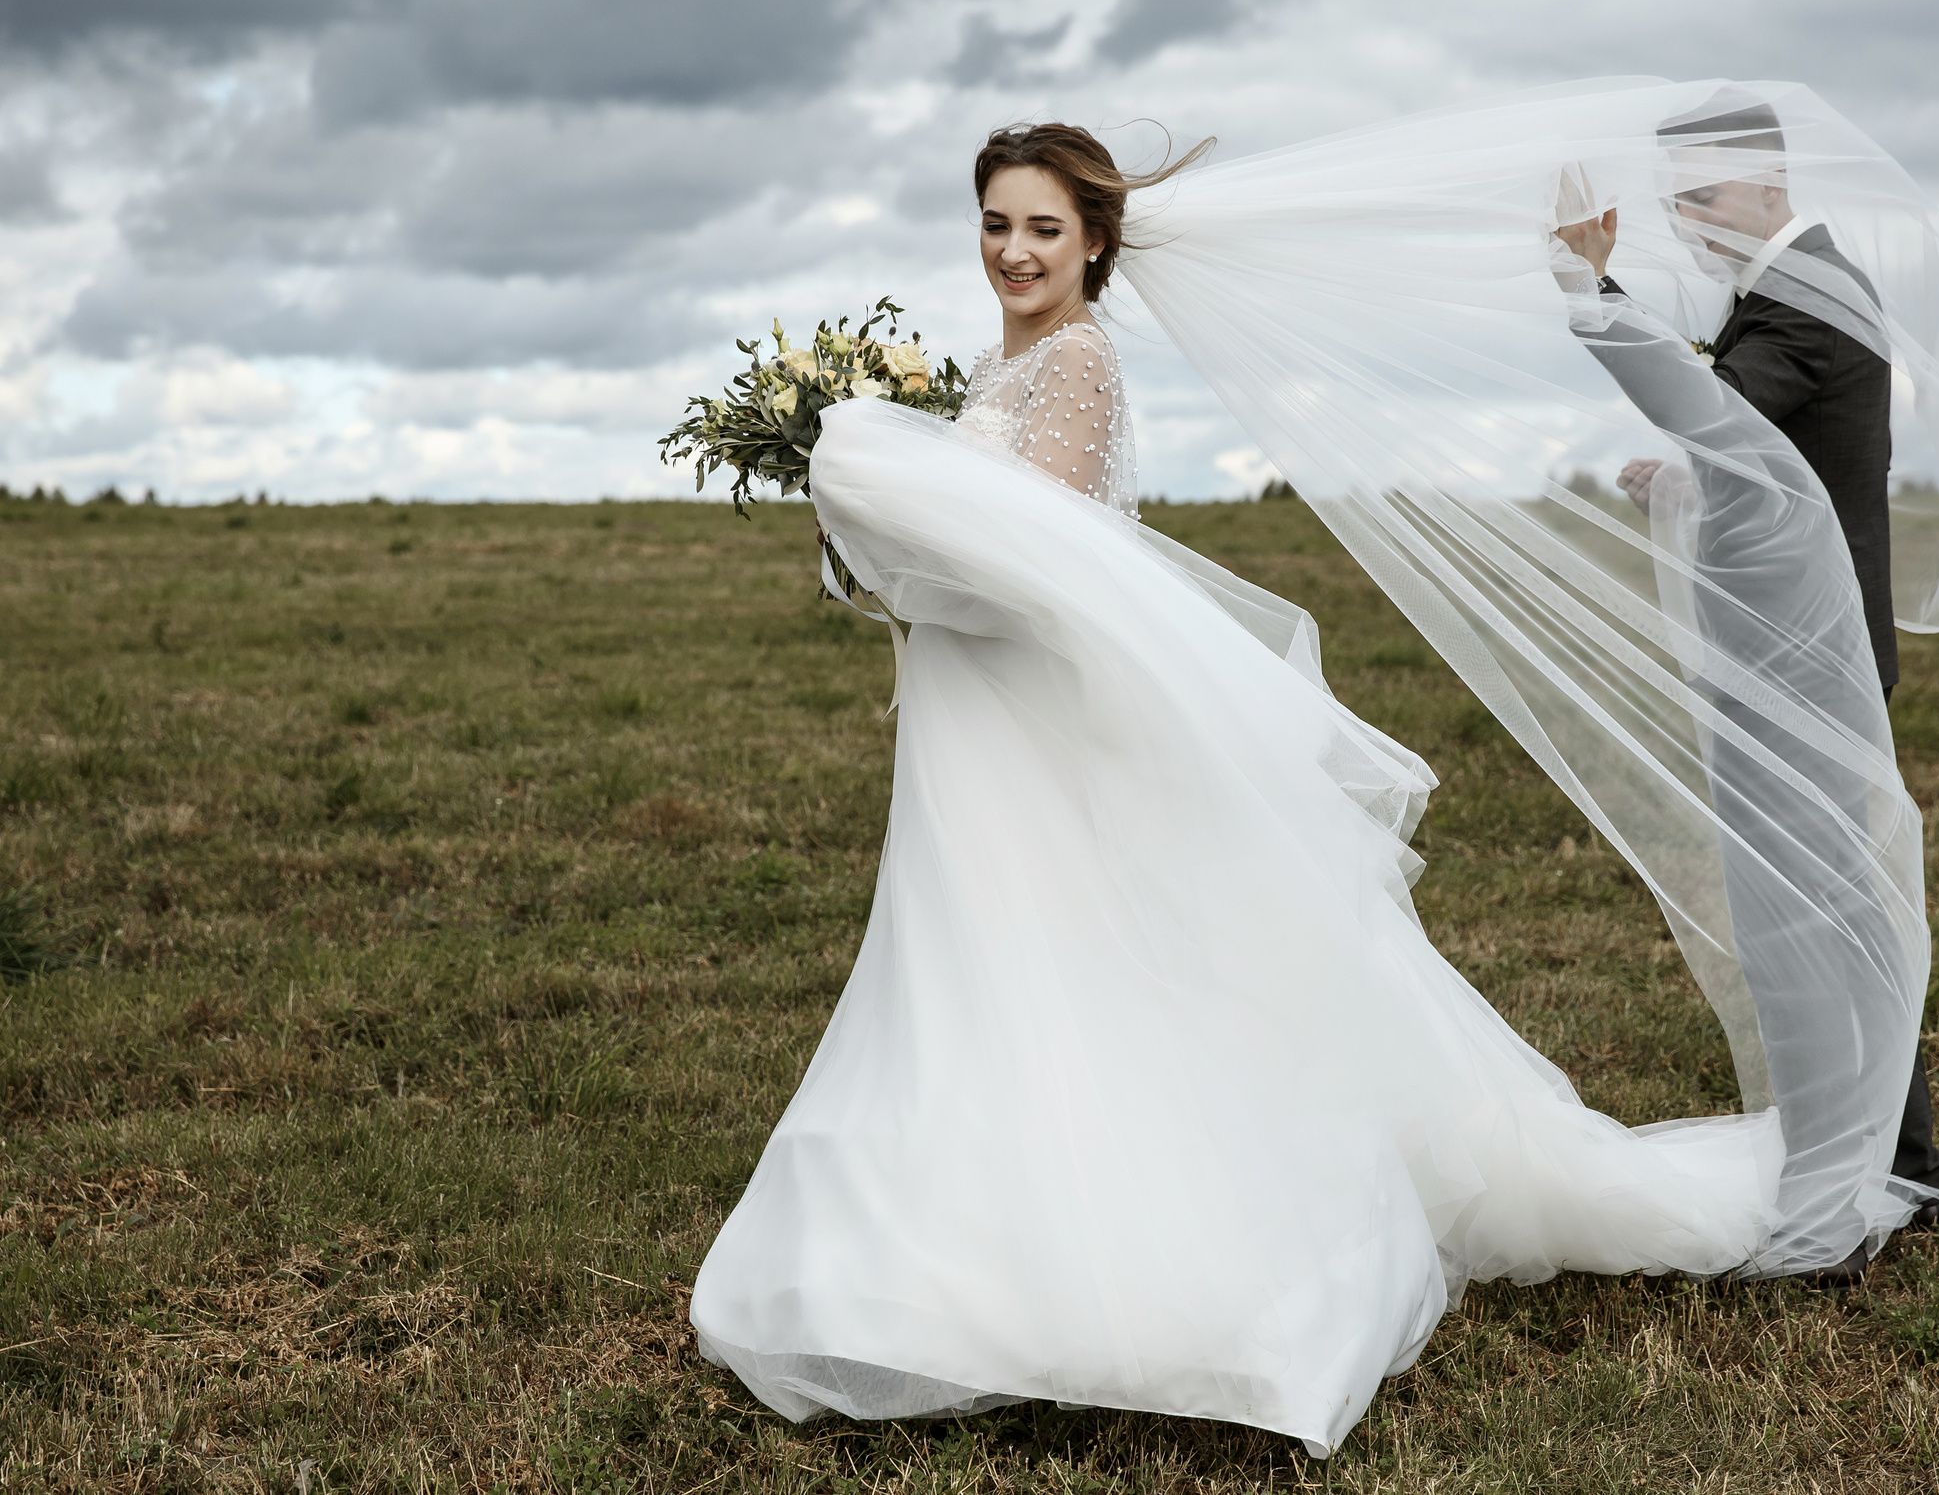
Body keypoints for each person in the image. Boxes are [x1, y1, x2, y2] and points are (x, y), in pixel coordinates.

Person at [689, 123, 1793, 1456]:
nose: (1015, 250)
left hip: (1026, 714)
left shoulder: (1079, 361)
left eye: (1042, 227)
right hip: (973, 714)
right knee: (971, 961)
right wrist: (864, 523)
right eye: (995, 222)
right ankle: (947, 1261)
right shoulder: (1000, 360)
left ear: (1093, 239)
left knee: (1044, 962)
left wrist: (871, 489)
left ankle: (1144, 1281)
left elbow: (1030, 560)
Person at [1552, 98, 1939, 1281]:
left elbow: (1717, 411)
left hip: (1803, 664)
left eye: (1704, 198)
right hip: (1785, 650)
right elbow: (1766, 459)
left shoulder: (1808, 297)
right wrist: (1690, 488)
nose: (1686, 222)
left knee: (1817, 917)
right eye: (1675, 200)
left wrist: (1591, 290)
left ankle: (1880, 1174)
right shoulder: (1788, 291)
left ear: (1772, 186)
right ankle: (1890, 1158)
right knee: (1823, 910)